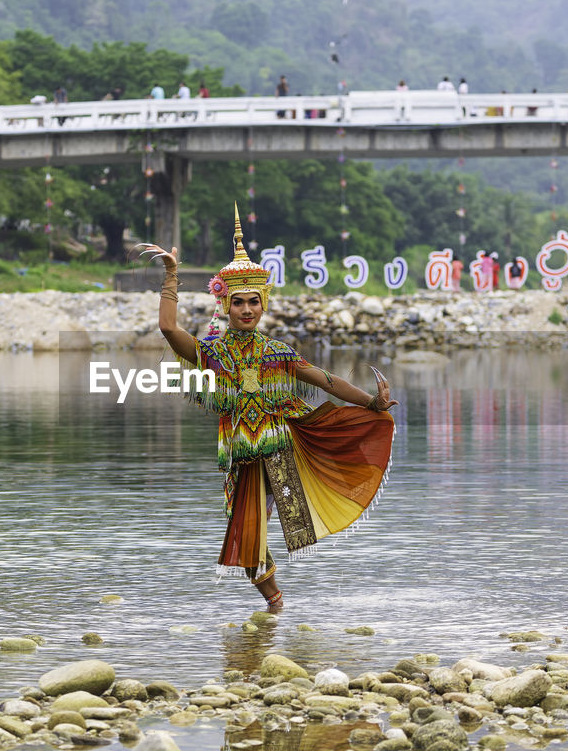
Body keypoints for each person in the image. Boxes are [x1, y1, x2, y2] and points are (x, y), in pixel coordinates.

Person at [137, 209, 396, 611]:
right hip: (242, 458)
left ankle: (276, 611)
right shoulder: (213, 353)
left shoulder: (278, 352)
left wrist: (371, 403)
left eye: (253, 302)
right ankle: (277, 606)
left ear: (264, 303)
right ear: (224, 304)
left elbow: (326, 380)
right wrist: (172, 277)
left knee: (255, 536)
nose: (246, 310)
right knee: (246, 540)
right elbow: (170, 330)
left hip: (282, 450)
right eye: (237, 302)